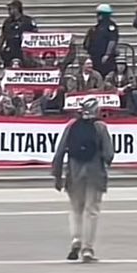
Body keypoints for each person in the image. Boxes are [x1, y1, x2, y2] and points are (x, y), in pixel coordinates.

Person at [52, 98, 114, 263]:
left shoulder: (72, 125)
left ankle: (75, 239)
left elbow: (59, 152)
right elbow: (109, 154)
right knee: (91, 211)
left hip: (74, 173)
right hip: (95, 174)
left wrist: (57, 175)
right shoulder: (100, 127)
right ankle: (87, 249)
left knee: (75, 209)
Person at [83, 4, 119, 78]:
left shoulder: (111, 27)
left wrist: (107, 55)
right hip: (95, 57)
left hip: (105, 58)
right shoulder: (96, 28)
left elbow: (112, 41)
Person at [0, 0, 37, 66]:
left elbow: (35, 36)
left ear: (17, 9)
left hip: (24, 51)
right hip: (10, 51)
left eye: (11, 9)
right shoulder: (7, 22)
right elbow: (3, 36)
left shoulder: (28, 21)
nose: (9, 11)